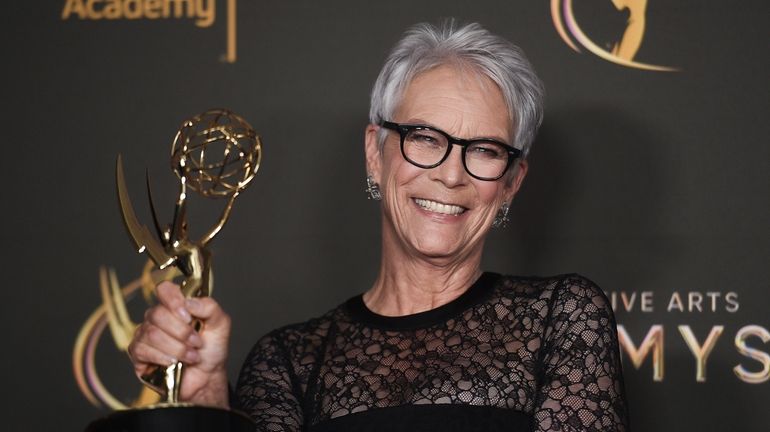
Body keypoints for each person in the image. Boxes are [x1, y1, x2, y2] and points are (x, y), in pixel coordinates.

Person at [128, 20, 629, 431]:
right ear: (375, 152)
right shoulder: (290, 362)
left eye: (483, 150)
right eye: (425, 138)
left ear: (512, 180)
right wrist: (208, 402)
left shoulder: (560, 318)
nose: (451, 174)